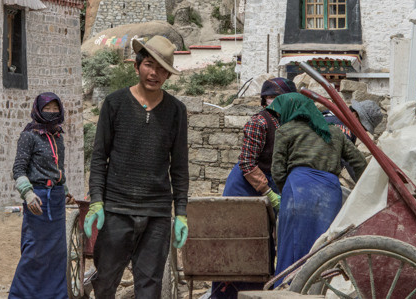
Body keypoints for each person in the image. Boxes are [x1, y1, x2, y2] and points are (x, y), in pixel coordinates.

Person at [85, 36, 189, 299]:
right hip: (117, 210)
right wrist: (97, 201)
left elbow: (179, 167)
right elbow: (99, 158)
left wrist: (182, 213)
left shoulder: (176, 111)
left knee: (149, 287)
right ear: (137, 66)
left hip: (156, 214)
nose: (154, 73)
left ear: (168, 75)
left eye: (162, 69)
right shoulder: (115, 103)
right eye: (149, 65)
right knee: (106, 282)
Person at [209, 77, 295, 299]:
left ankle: (256, 294)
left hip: (268, 183)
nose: (276, 101)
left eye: (281, 97)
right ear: (265, 100)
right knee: (237, 241)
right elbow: (247, 162)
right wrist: (268, 193)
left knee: (263, 244)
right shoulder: (259, 123)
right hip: (245, 186)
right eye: (271, 97)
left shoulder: (287, 124)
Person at [270, 93, 367, 276]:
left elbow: (277, 170)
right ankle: (318, 287)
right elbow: (359, 163)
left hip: (297, 189)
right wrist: (365, 192)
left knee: (291, 242)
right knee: (322, 244)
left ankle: (288, 285)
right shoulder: (335, 132)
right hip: (329, 192)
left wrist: (288, 190)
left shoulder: (286, 130)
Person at [9, 92, 68, 299]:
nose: (52, 112)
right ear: (38, 110)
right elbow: (18, 169)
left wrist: (65, 190)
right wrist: (28, 194)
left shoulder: (58, 136)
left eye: (55, 108)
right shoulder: (29, 136)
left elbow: (58, 169)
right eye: (47, 109)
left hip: (57, 200)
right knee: (34, 252)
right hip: (38, 199)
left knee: (57, 254)